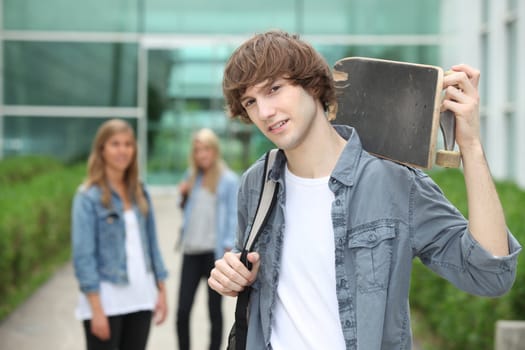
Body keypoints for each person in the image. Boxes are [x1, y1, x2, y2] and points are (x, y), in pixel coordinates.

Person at [207, 30, 521, 349]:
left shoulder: (391, 181)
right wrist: (234, 273)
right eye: (251, 102)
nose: (264, 112)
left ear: (313, 86)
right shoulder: (257, 182)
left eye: (274, 89)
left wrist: (470, 145)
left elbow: (489, 274)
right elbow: (260, 274)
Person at [71, 118, 168, 350]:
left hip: (141, 297)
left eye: (128, 144)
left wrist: (161, 292)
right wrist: (96, 309)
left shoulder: (140, 191)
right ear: (102, 149)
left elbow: (152, 245)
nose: (122, 150)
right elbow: (84, 256)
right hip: (107, 302)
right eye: (115, 144)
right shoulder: (87, 197)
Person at [176, 128, 239, 350]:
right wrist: (182, 195)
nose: (201, 154)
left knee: (214, 311)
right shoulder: (190, 176)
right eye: (197, 150)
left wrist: (228, 249)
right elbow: (184, 209)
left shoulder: (229, 180)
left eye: (205, 149)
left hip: (214, 254)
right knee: (182, 311)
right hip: (191, 252)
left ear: (214, 150)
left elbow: (234, 215)